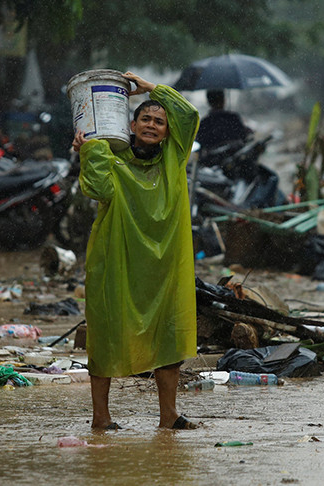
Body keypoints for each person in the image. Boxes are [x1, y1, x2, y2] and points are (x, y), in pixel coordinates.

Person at [72, 71, 199, 430]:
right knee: (107, 334)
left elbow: (188, 115)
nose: (153, 125)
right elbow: (98, 189)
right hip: (118, 262)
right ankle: (101, 417)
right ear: (131, 123)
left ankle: (169, 415)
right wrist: (91, 148)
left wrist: (151, 88)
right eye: (146, 118)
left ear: (167, 131)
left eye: (160, 121)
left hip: (165, 267)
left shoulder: (174, 158)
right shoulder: (113, 158)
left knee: (169, 338)